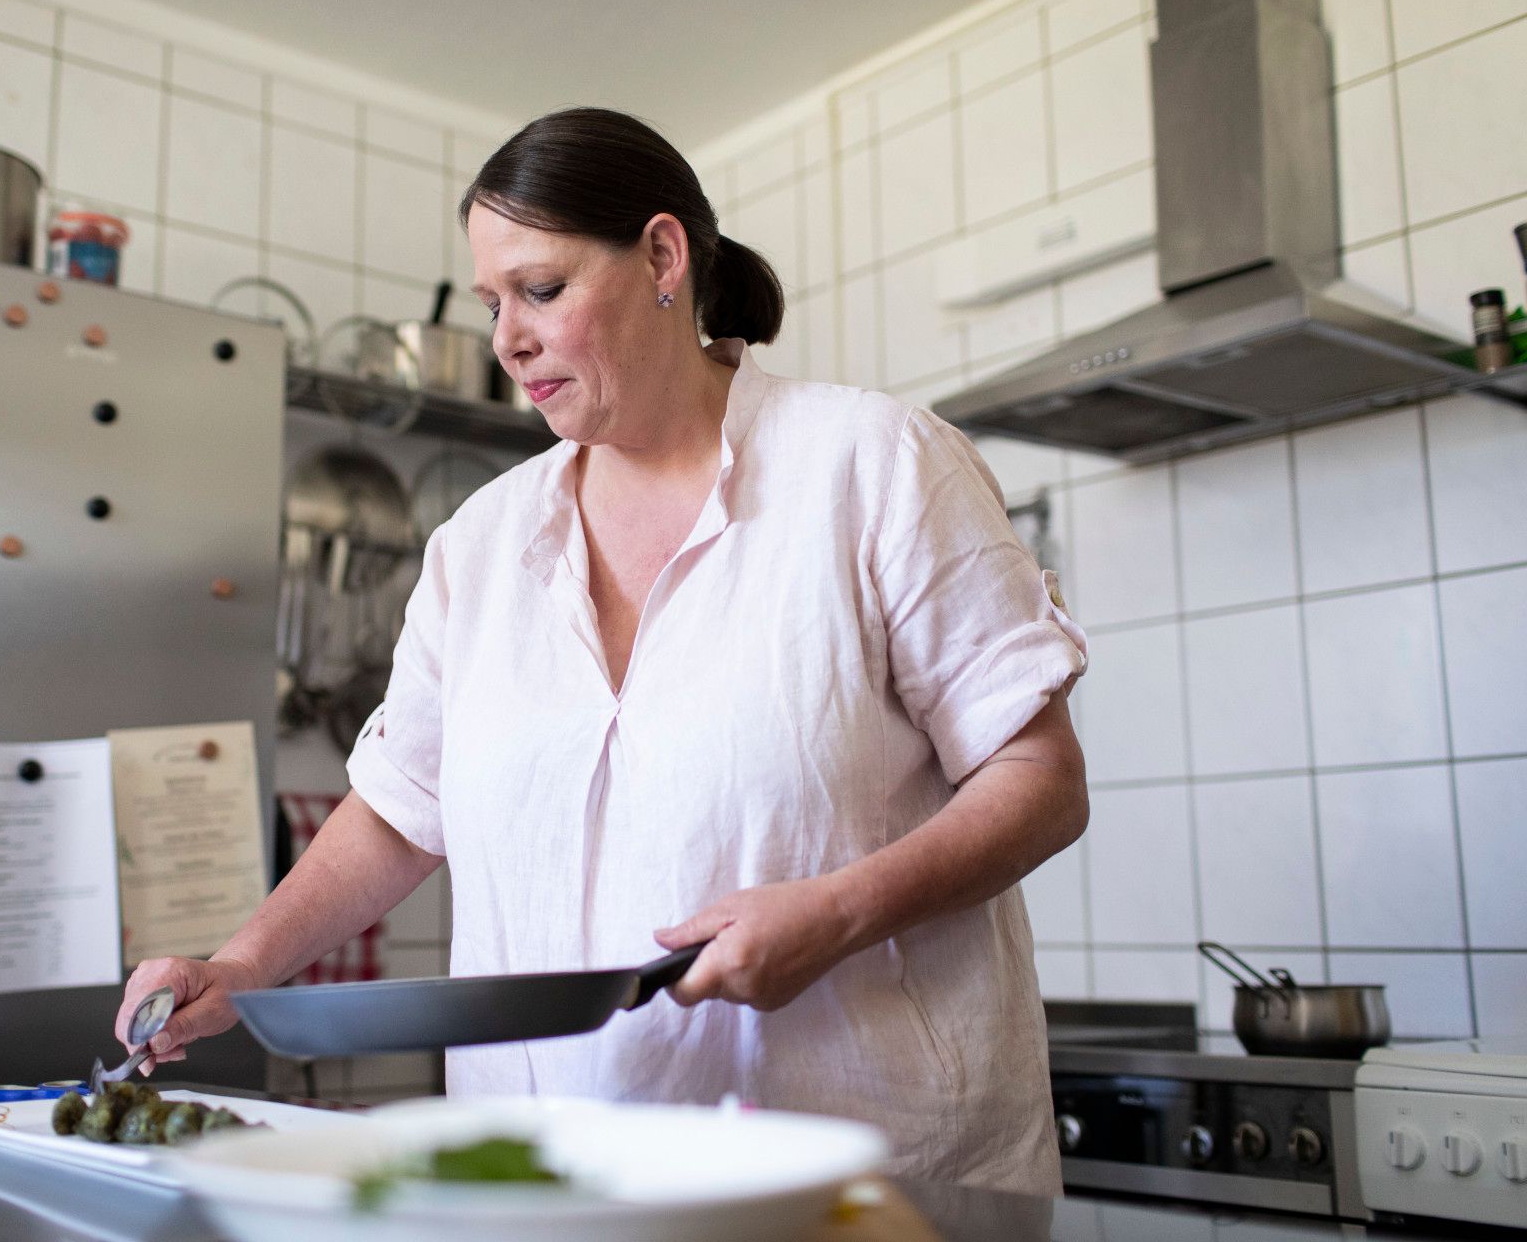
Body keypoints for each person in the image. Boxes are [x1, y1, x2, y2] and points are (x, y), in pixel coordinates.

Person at [116, 107, 1090, 1194]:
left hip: (862, 1180)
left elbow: (1041, 781)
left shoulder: (873, 465)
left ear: (663, 257)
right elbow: (400, 806)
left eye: (541, 290)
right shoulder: (479, 544)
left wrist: (840, 909)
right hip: (543, 1183)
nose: (507, 340)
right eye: (493, 303)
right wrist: (241, 963)